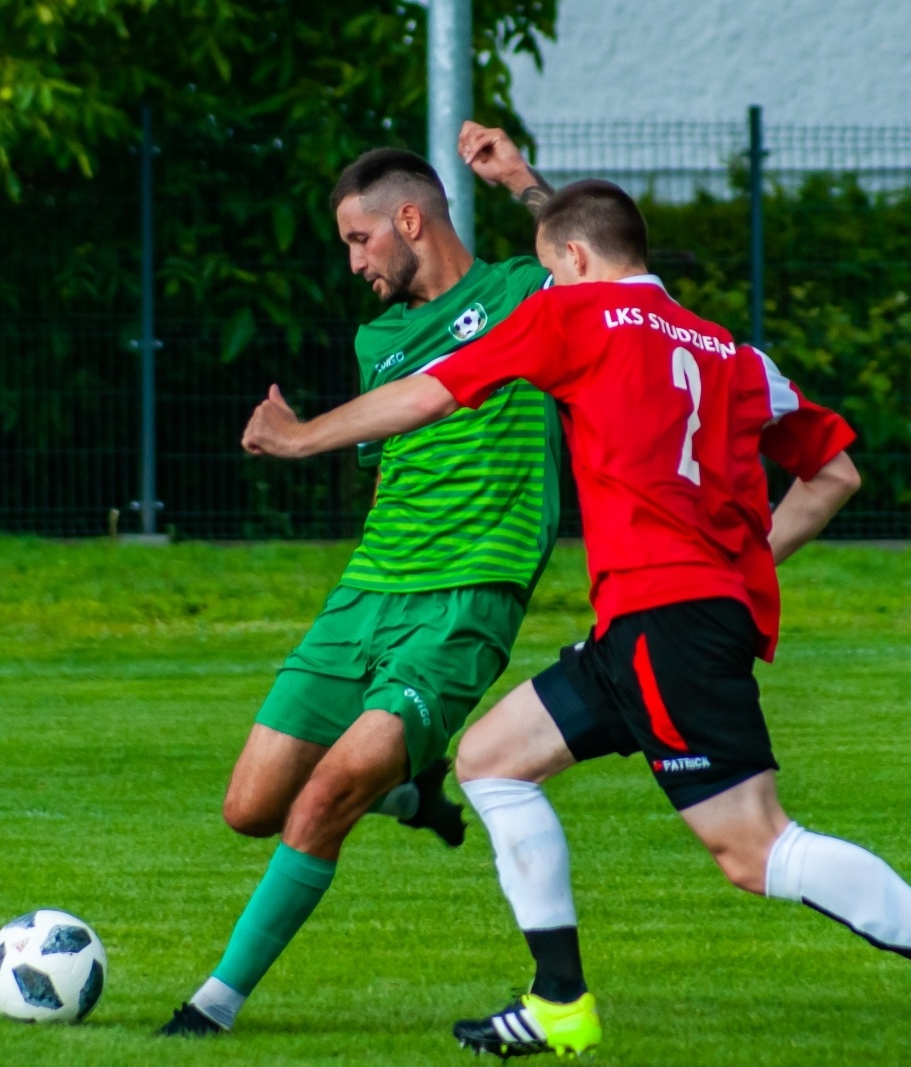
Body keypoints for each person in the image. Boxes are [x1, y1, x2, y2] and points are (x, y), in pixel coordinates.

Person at [240, 179, 911, 1065]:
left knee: (757, 850)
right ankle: (559, 1003)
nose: (547, 285)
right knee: (490, 760)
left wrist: (297, 435)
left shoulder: (575, 317)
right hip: (650, 624)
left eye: (552, 269)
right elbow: (836, 474)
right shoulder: (730, 352)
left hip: (667, 627)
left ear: (576, 262)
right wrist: (737, 572)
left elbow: (429, 394)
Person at [158, 124, 568, 1037]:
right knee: (249, 808)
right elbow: (393, 456)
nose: (353, 264)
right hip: (367, 591)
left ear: (410, 220)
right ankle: (409, 788)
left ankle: (211, 1008)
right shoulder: (377, 336)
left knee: (322, 798)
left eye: (357, 240)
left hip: (468, 597)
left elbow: (606, 261)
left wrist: (522, 182)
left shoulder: (526, 292)